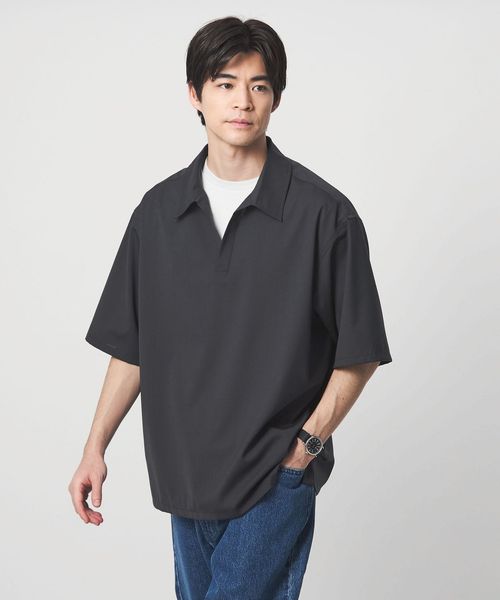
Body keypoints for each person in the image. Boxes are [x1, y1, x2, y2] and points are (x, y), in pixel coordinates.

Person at [68, 16, 393, 600]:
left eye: (259, 85)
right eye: (225, 83)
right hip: (184, 478)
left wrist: (304, 450)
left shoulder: (325, 216)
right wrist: (95, 447)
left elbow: (360, 352)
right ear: (195, 94)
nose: (243, 100)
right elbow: (132, 346)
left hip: (273, 477)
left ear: (275, 99)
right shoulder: (157, 214)